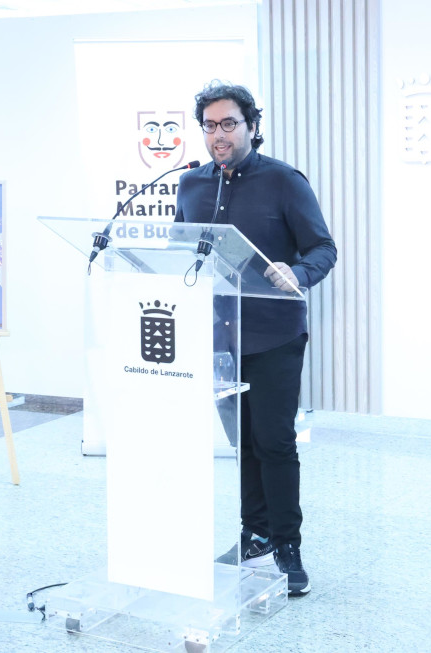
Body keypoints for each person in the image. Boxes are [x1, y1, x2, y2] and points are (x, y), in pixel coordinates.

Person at [175, 81, 336, 596]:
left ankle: (287, 545)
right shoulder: (190, 185)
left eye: (229, 124)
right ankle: (255, 534)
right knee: (243, 444)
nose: (218, 135)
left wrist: (298, 273)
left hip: (273, 335)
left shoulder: (284, 181)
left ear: (251, 126)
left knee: (274, 442)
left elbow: (323, 249)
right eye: (210, 126)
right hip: (217, 336)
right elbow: (180, 254)